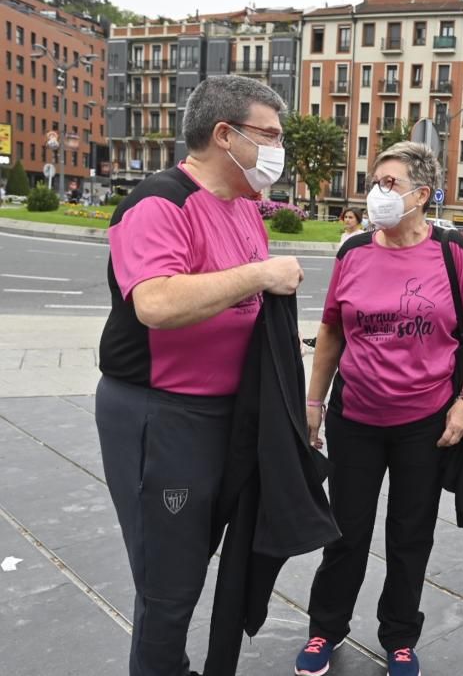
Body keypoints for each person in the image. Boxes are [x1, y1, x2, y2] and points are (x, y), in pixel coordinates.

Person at [95, 75, 305, 676]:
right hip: (160, 416)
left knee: (198, 561)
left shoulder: (243, 208)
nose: (278, 148)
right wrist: (259, 275)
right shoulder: (158, 202)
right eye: (269, 135)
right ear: (224, 134)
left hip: (222, 414)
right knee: (169, 582)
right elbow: (156, 303)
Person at [295, 141, 463, 676]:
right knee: (344, 532)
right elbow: (331, 330)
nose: (377, 192)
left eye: (390, 182)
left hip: (425, 424)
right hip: (355, 418)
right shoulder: (354, 251)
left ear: (421, 194)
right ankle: (325, 630)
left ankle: (400, 637)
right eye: (375, 180)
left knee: (410, 536)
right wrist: (314, 401)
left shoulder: (453, 252)